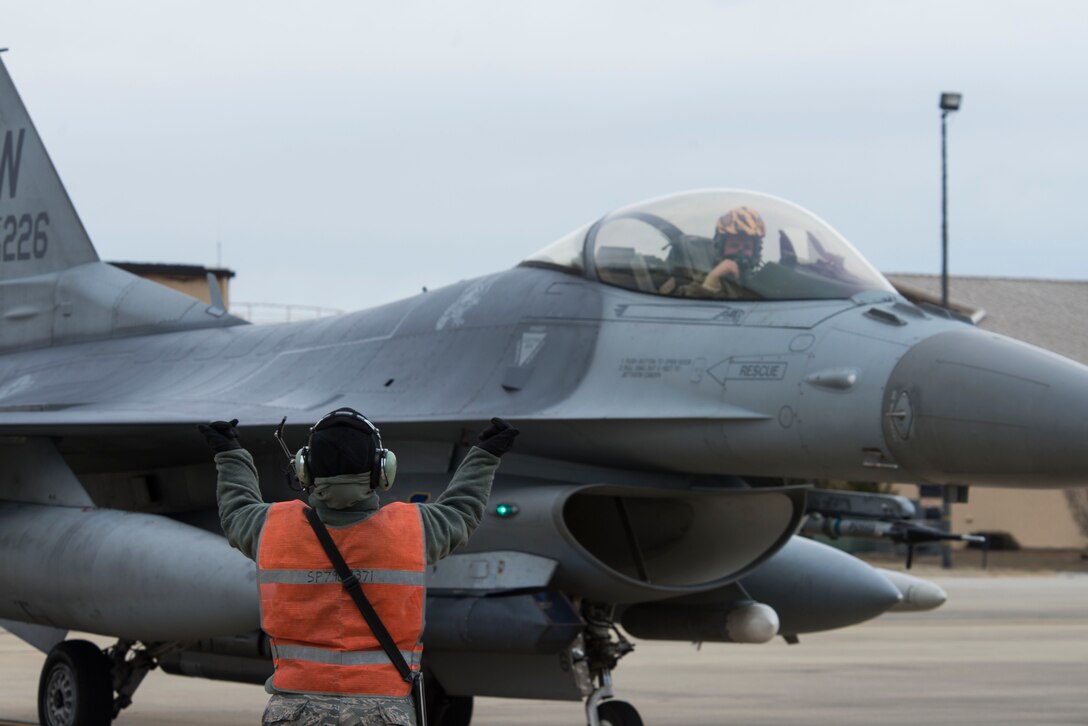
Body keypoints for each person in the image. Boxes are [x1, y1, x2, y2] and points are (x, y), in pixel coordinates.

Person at [198, 410, 519, 726]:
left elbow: (236, 508)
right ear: (382, 471)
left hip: (295, 713)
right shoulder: (415, 529)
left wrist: (230, 454)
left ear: (305, 470)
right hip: (383, 713)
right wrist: (485, 455)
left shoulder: (270, 528)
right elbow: (462, 510)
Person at [661, 206, 766, 298]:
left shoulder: (758, 284)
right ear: (721, 248)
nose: (740, 252)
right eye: (734, 245)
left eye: (747, 247)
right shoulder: (698, 278)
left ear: (755, 252)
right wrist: (708, 286)